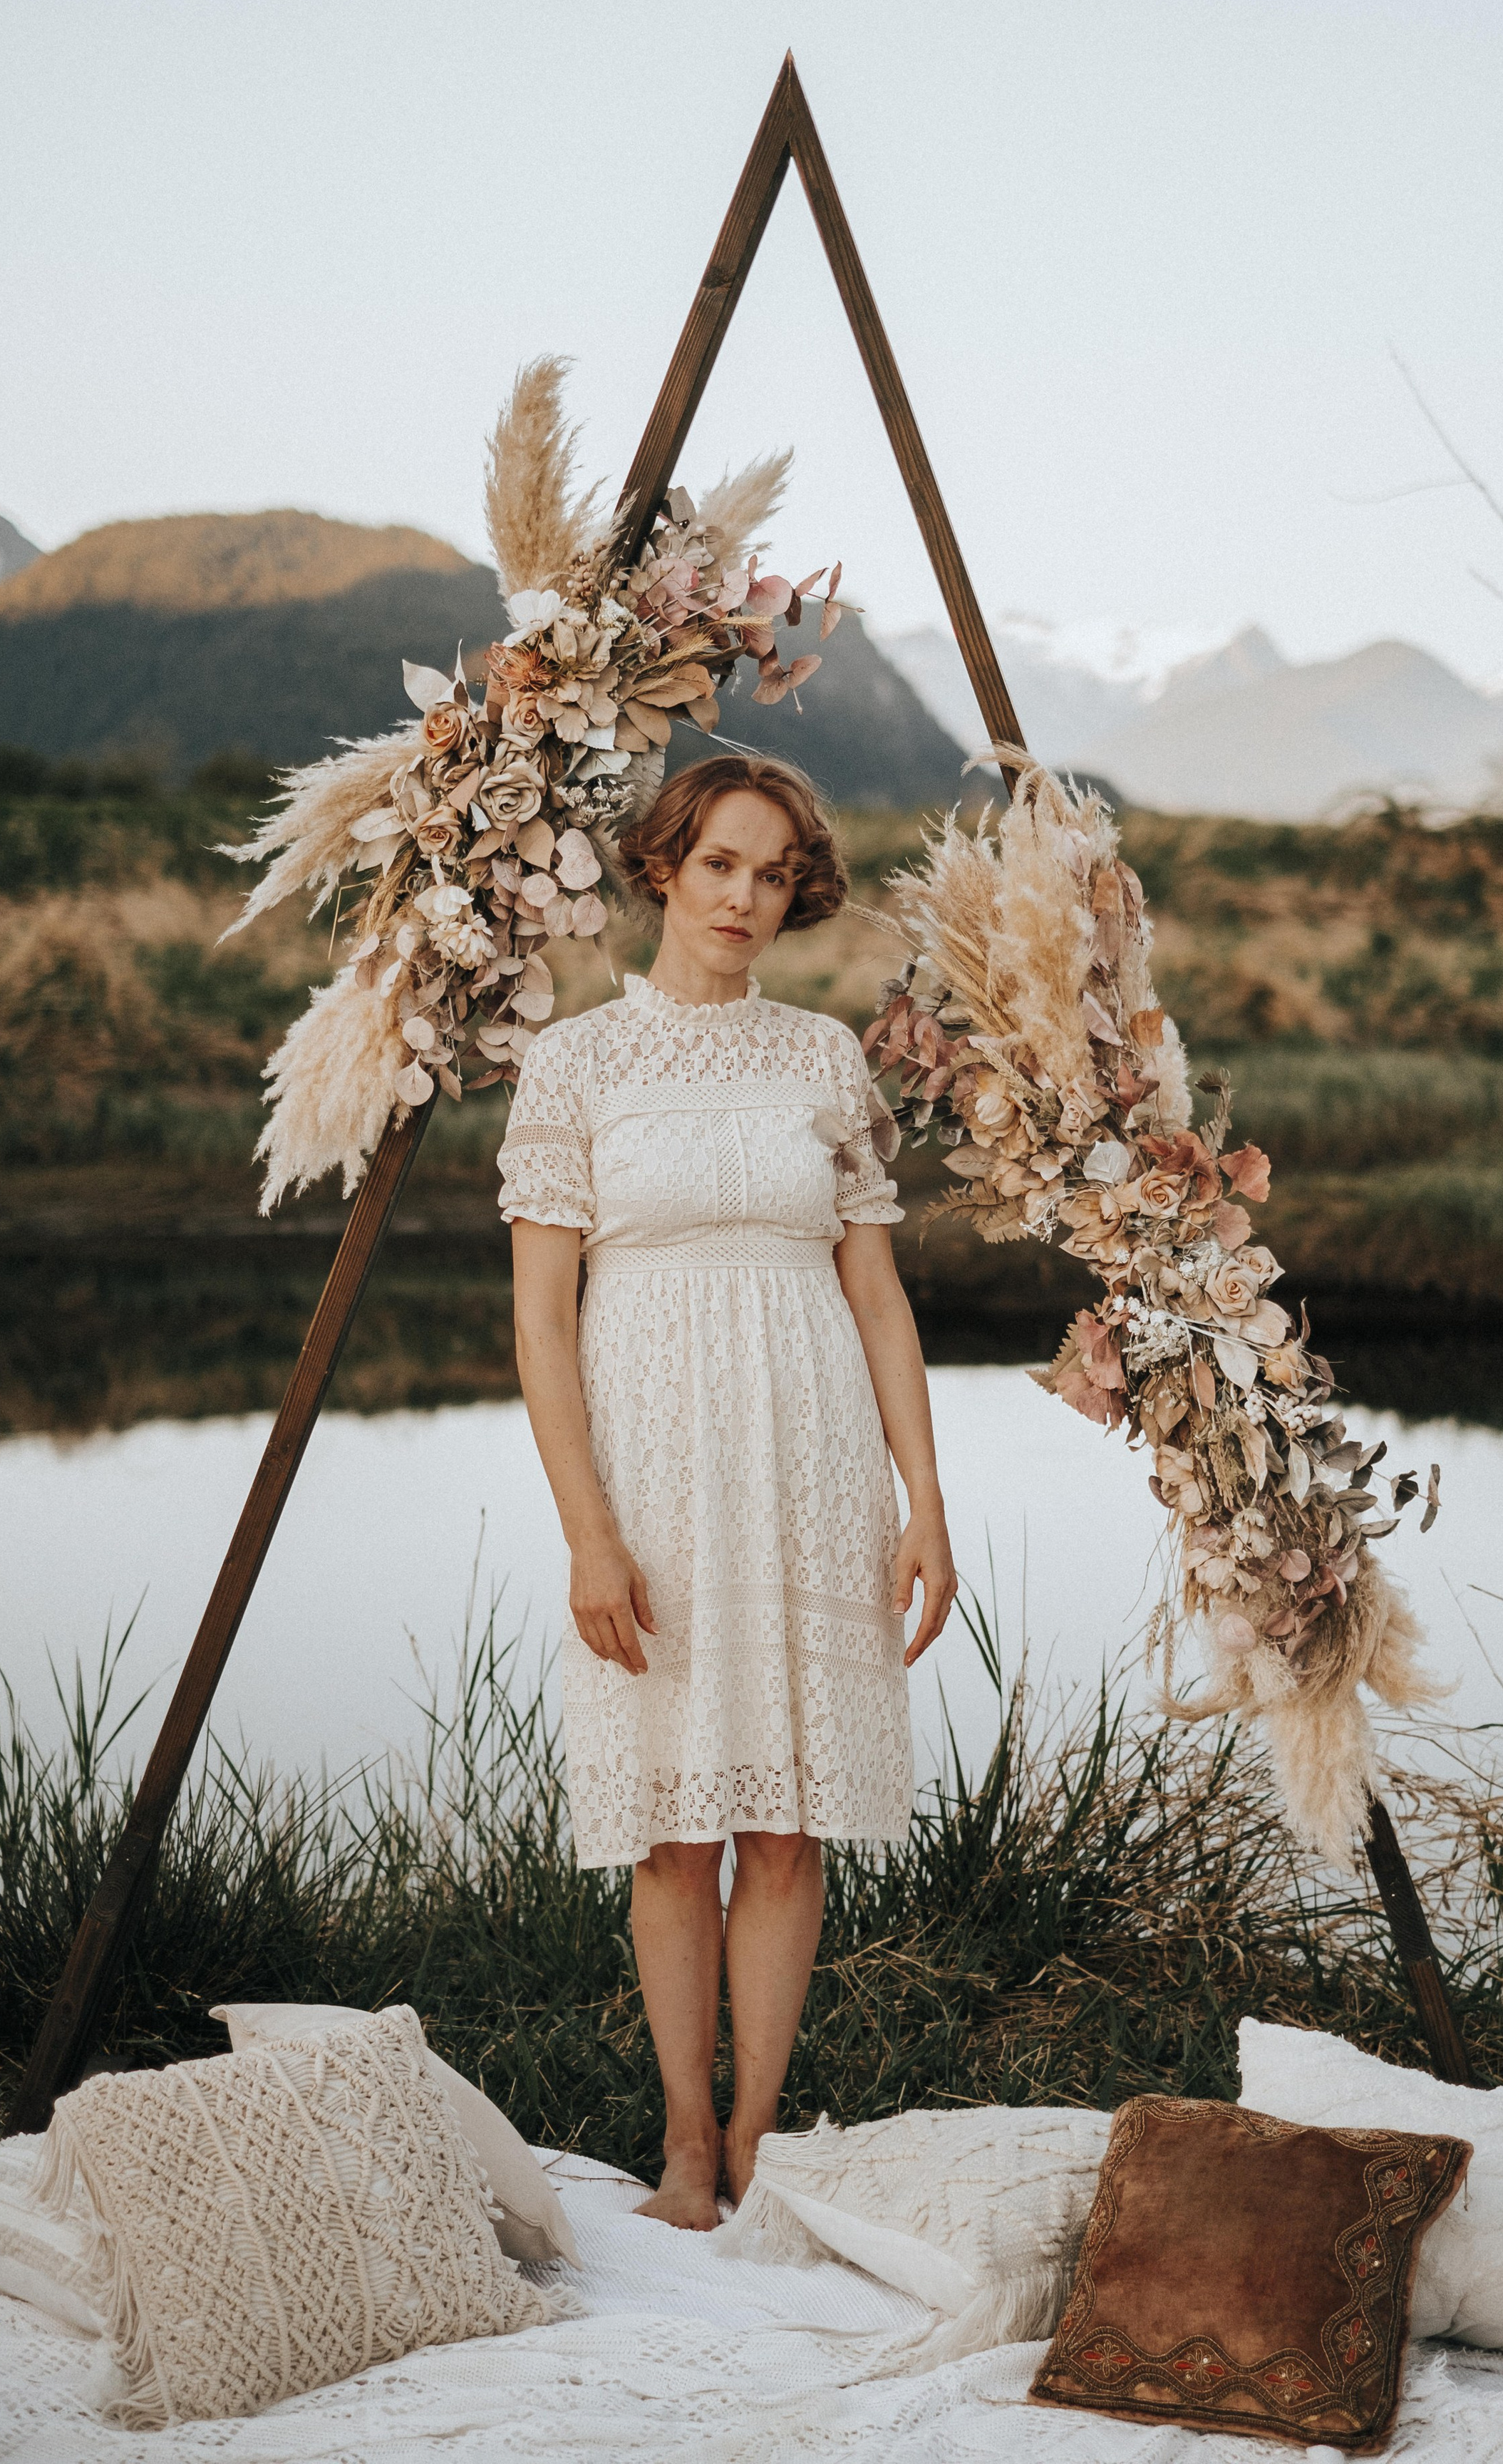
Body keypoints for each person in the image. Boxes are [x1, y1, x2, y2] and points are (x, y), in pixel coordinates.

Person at [500, 752, 957, 2229]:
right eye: (719, 866)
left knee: (785, 1822)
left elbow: (876, 1295)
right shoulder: (577, 1061)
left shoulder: (822, 1057)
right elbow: (538, 1320)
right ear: (661, 869)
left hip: (810, 1450)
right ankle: (683, 2141)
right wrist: (588, 1533)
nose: (745, 897)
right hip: (649, 1460)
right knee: (671, 1823)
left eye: (771, 873)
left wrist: (923, 1501)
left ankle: (759, 2138)